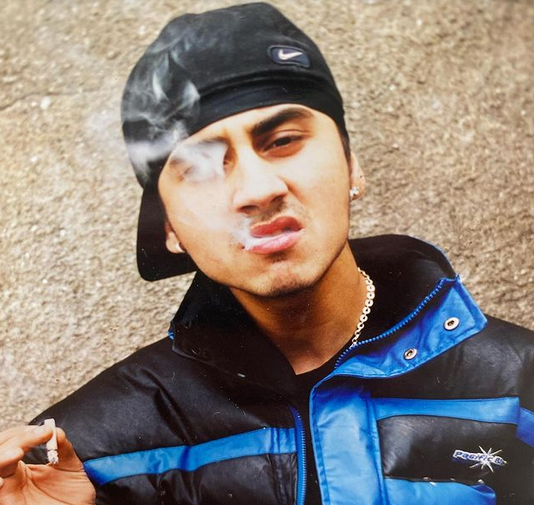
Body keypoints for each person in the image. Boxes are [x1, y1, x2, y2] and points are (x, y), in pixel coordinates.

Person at [1, 3, 533, 504]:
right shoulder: (83, 454)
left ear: (351, 166)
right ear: (169, 228)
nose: (257, 190)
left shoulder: (517, 386)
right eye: (203, 165)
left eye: (281, 141)